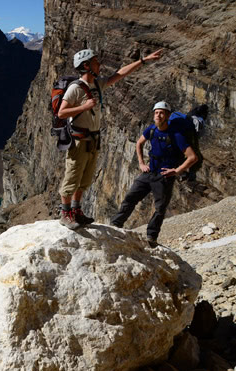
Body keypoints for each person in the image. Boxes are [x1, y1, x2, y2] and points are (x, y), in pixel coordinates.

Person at [58, 47, 164, 229]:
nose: (99, 65)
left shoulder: (97, 84)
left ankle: (76, 210)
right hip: (79, 141)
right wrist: (83, 107)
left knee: (84, 178)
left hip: (93, 140)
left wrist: (143, 61)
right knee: (72, 177)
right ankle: (65, 213)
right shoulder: (75, 89)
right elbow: (61, 112)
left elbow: (119, 74)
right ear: (86, 65)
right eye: (95, 62)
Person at [110, 101, 198, 246]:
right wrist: (141, 163)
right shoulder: (151, 129)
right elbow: (139, 143)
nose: (158, 115)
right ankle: (116, 223)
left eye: (162, 112)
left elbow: (192, 157)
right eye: (156, 112)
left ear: (168, 116)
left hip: (164, 176)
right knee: (130, 198)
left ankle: (151, 237)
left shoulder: (176, 135)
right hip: (149, 172)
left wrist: (176, 171)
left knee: (160, 208)